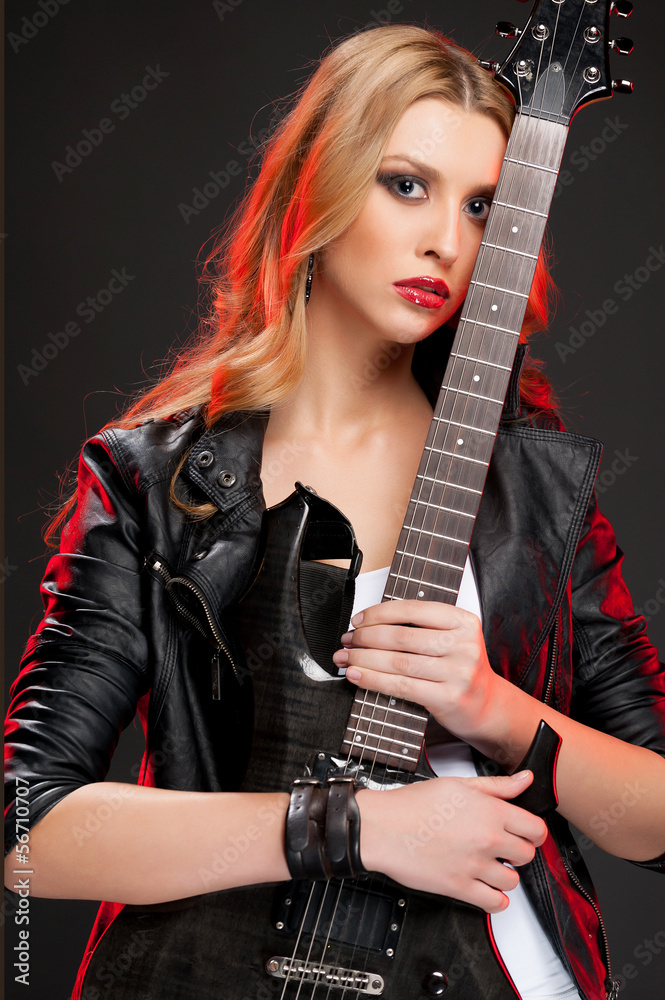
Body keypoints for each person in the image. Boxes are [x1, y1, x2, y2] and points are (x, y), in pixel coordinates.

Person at [4, 22, 665, 1000]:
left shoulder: (533, 489)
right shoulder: (154, 481)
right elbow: (31, 831)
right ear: (317, 184)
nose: (446, 240)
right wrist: (349, 825)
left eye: (483, 206)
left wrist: (494, 707)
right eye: (406, 184)